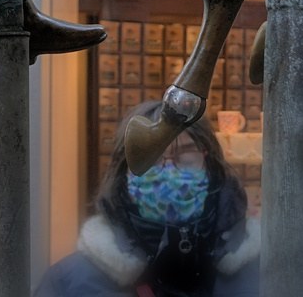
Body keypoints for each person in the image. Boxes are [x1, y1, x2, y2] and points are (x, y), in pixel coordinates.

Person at [36, 101, 259, 297]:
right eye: (150, 161)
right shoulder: (68, 284)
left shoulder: (266, 270)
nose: (169, 171)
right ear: (122, 175)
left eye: (187, 157)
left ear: (212, 169)